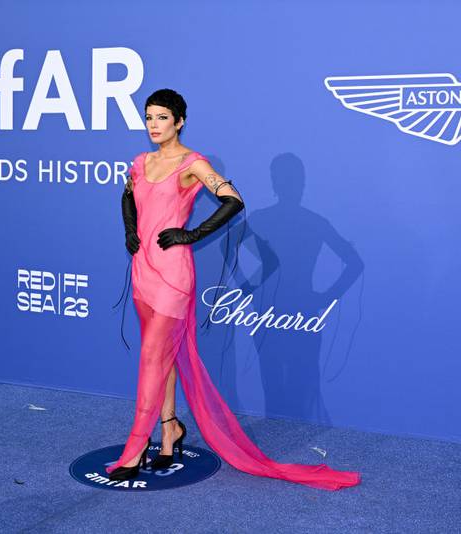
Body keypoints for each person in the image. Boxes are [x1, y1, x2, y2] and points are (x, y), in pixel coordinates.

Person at [106, 89, 360, 491]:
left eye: (161, 118)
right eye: (148, 117)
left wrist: (191, 234)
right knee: (163, 358)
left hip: (173, 274)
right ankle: (170, 430)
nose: (153, 125)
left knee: (153, 356)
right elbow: (127, 195)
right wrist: (129, 231)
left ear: (180, 121)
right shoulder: (141, 162)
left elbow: (233, 199)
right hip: (142, 270)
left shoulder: (192, 163)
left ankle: (135, 449)